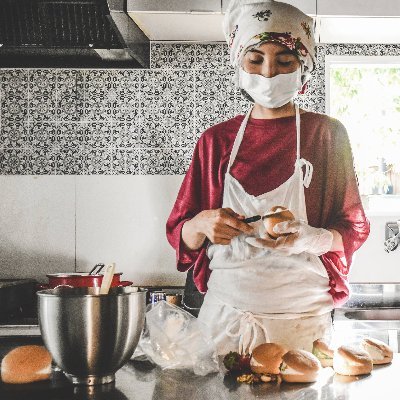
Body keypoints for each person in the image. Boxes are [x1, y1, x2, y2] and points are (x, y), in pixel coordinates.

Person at [166, 0, 370, 355]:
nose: (269, 72)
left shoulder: (327, 135)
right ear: (239, 65)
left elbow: (354, 229)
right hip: (224, 321)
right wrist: (201, 224)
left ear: (304, 67)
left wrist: (312, 238)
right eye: (256, 59)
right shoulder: (216, 141)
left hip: (303, 324)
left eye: (285, 61)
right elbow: (180, 233)